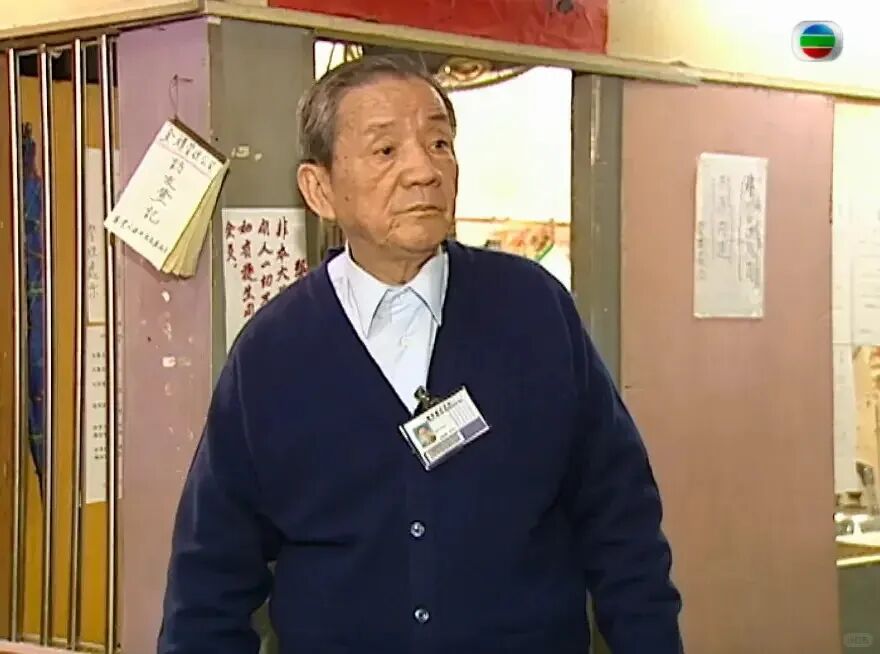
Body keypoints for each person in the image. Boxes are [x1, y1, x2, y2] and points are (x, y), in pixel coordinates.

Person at [158, 55, 682, 654]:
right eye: (386, 150)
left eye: (439, 143)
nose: (424, 171)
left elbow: (621, 517)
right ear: (319, 189)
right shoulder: (272, 354)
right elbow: (209, 579)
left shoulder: (533, 311)